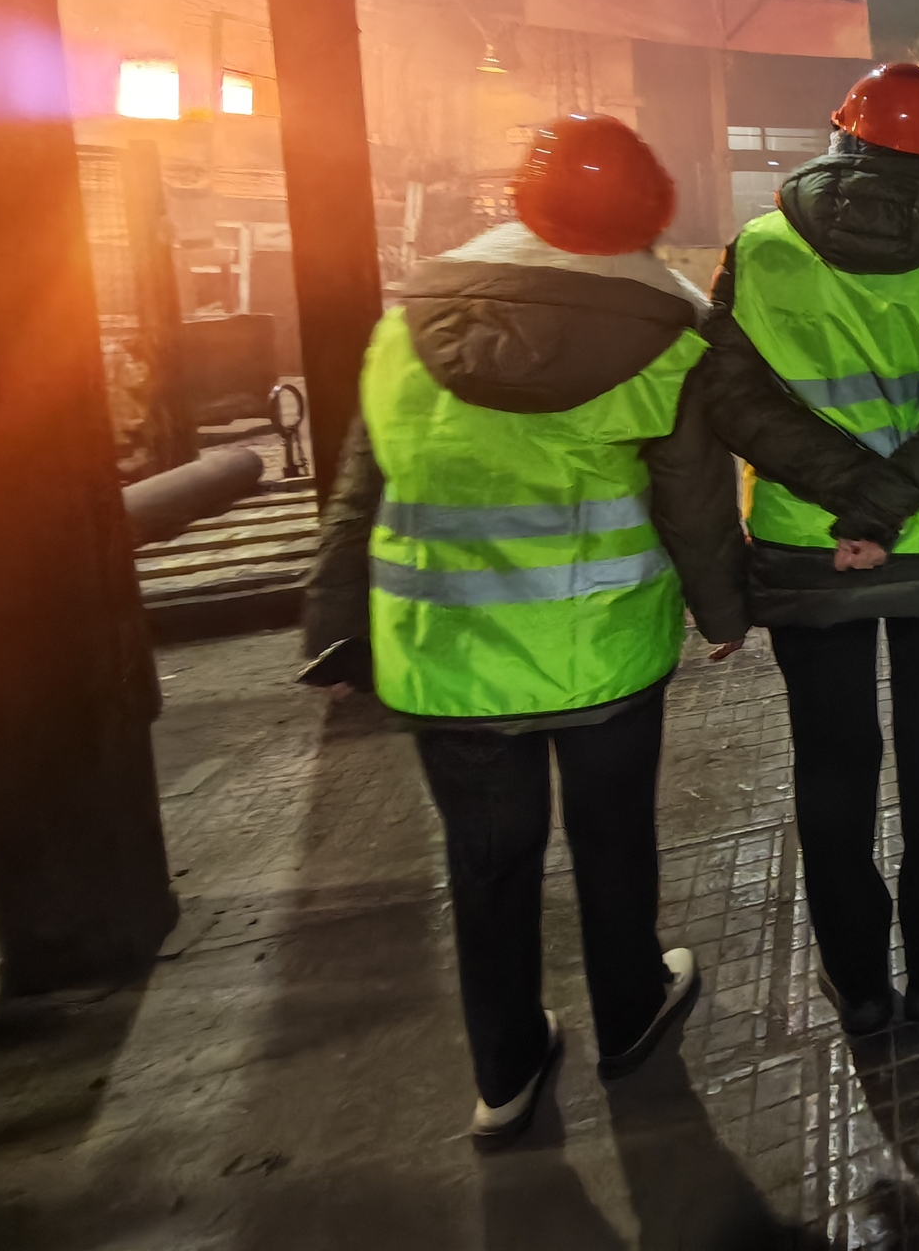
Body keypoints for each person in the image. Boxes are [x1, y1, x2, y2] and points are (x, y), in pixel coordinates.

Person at [299, 115, 745, 1144]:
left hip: (445, 656)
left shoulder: (410, 320)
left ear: (520, 199)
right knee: (612, 838)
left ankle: (503, 1070)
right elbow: (692, 500)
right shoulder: (668, 335)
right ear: (649, 213)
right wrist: (723, 611)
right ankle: (630, 1008)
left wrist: (333, 621)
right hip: (601, 651)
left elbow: (362, 482)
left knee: (487, 862)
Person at [693, 62, 919, 1035]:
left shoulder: (760, 248)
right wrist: (887, 506)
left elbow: (729, 397)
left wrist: (849, 503)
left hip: (809, 547)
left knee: (832, 762)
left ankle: (859, 980)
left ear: (844, 135)